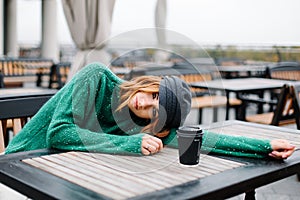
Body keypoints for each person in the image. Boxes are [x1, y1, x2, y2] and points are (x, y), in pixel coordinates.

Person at [5, 63, 295, 159]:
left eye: (154, 113)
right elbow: (59, 133)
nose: (144, 104)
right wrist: (128, 144)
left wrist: (263, 147)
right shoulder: (96, 77)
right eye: (154, 95)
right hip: (22, 163)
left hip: (64, 170)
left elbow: (196, 139)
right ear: (152, 83)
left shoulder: (138, 125)